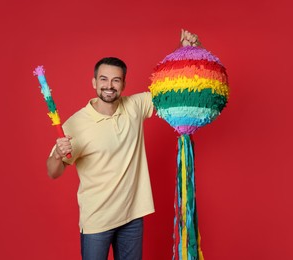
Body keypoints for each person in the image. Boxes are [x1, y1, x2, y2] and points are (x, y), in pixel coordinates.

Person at [46, 29, 200, 260]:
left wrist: (186, 51)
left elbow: (169, 89)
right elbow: (52, 172)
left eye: (116, 80)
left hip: (132, 215)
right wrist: (58, 154)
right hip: (97, 220)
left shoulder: (135, 106)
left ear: (123, 84)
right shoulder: (76, 125)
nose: (109, 85)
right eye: (104, 79)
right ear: (94, 82)